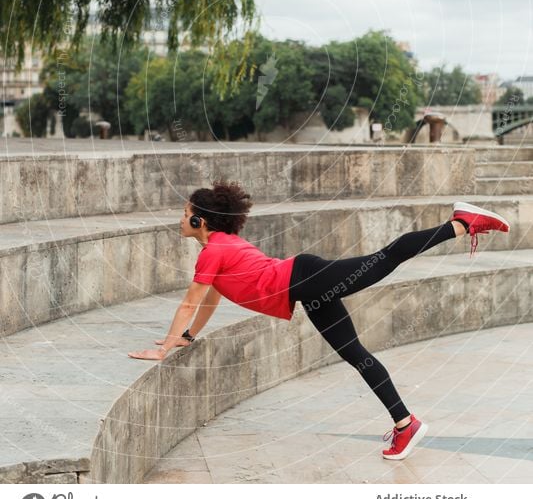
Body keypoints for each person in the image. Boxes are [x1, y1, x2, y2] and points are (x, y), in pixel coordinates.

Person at [128, 180, 510, 461]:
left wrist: (163, 347)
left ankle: (461, 223)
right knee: (355, 353)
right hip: (306, 290)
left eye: (184, 213)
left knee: (385, 258)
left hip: (304, 278)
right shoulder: (218, 249)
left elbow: (189, 301)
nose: (180, 219)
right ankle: (404, 424)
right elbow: (209, 298)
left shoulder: (214, 251)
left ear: (200, 220)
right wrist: (188, 337)